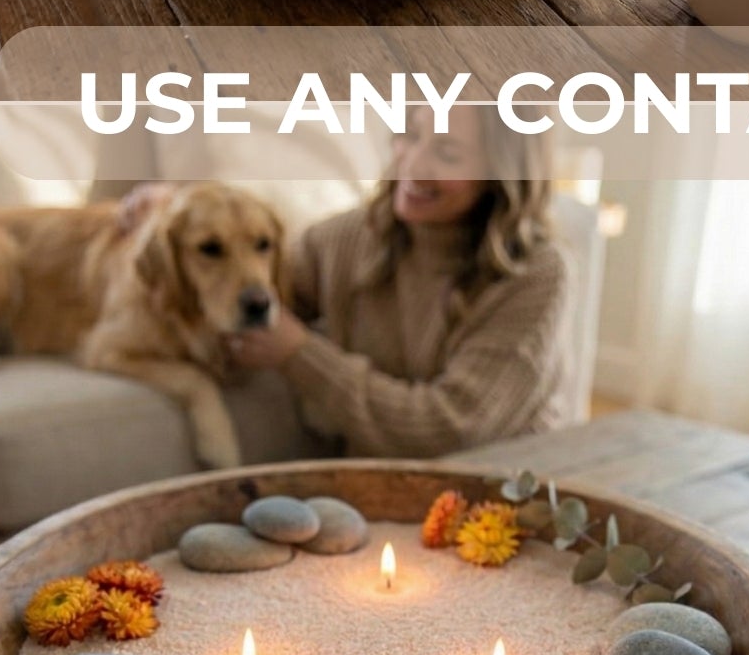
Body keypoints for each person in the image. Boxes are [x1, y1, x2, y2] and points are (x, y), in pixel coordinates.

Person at [226, 106, 571, 455]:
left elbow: (449, 429)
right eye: (411, 135)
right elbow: (238, 297)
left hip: (498, 490)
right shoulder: (345, 239)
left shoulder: (536, 275)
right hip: (377, 488)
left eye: (448, 153)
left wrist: (299, 354)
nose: (414, 165)